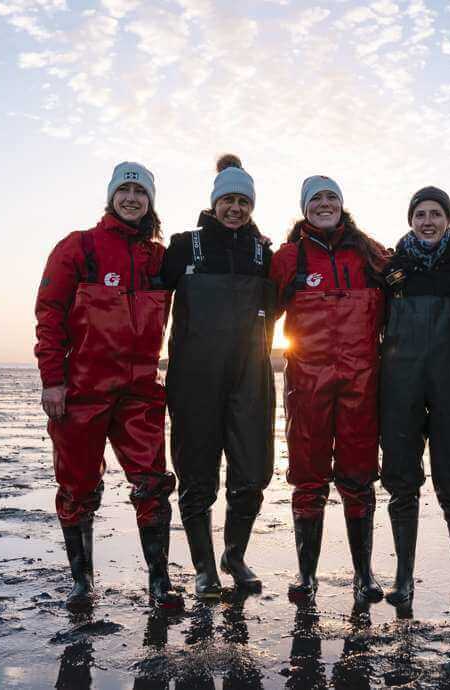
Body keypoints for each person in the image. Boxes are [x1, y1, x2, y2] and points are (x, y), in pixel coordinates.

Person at [34, 161, 181, 610]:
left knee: (153, 484)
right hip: (82, 390)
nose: (132, 197)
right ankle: (82, 582)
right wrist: (52, 382)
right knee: (77, 486)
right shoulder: (78, 248)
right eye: (125, 190)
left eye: (141, 191)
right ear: (112, 196)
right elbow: (49, 315)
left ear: (151, 201)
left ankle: (159, 583)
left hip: (140, 391)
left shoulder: (161, 259)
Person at [160, 155, 276, 598]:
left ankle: (235, 554)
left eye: (243, 201)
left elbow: (282, 307)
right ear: (215, 202)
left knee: (251, 475)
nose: (235, 209)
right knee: (196, 476)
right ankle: (204, 569)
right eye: (228, 199)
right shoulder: (183, 247)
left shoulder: (264, 252)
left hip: (251, 375)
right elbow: (147, 301)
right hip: (194, 378)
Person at [270, 175, 389, 603]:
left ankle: (364, 574)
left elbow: (409, 271)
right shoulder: (286, 258)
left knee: (359, 476)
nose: (324, 204)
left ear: (342, 204)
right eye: (316, 198)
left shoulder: (369, 252)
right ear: (304, 208)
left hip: (361, 381)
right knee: (308, 478)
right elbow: (260, 314)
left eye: (331, 197)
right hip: (307, 383)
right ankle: (307, 575)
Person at [379, 186, 450, 610]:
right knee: (401, 483)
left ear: (448, 219)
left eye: (436, 213)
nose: (427, 221)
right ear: (410, 220)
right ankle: (404, 575)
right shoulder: (390, 267)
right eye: (420, 214)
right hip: (399, 385)